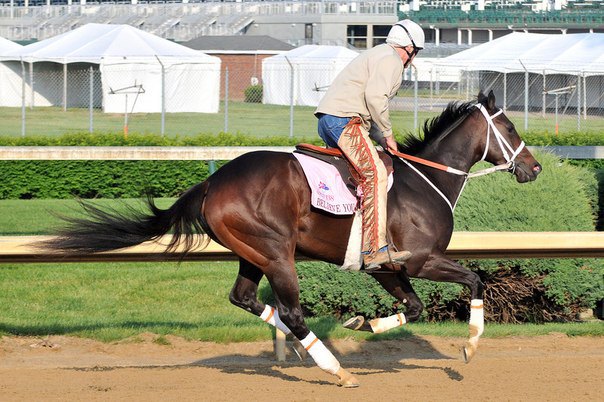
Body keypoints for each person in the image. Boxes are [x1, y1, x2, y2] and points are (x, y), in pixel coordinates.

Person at [314, 19, 425, 270]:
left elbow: (367, 108)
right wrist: (388, 134)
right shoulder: (391, 59)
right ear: (407, 48)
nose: (413, 60)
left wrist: (382, 140)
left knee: (362, 171)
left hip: (330, 120)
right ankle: (374, 250)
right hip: (344, 122)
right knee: (375, 174)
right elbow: (376, 99)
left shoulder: (377, 54)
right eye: (415, 53)